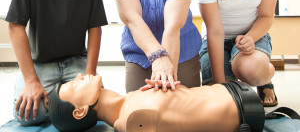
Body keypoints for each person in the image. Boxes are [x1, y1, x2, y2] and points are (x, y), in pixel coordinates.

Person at [5, 0, 108, 126]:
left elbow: (94, 27)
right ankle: (57, 95)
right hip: (41, 62)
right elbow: (15, 26)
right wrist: (31, 80)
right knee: (28, 115)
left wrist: (89, 74)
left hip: (76, 59)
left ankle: (60, 95)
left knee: (96, 106)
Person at [49, 73, 265, 132]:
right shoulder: (134, 121)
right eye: (74, 85)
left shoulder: (130, 102)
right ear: (80, 111)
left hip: (233, 92)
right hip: (243, 108)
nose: (79, 76)